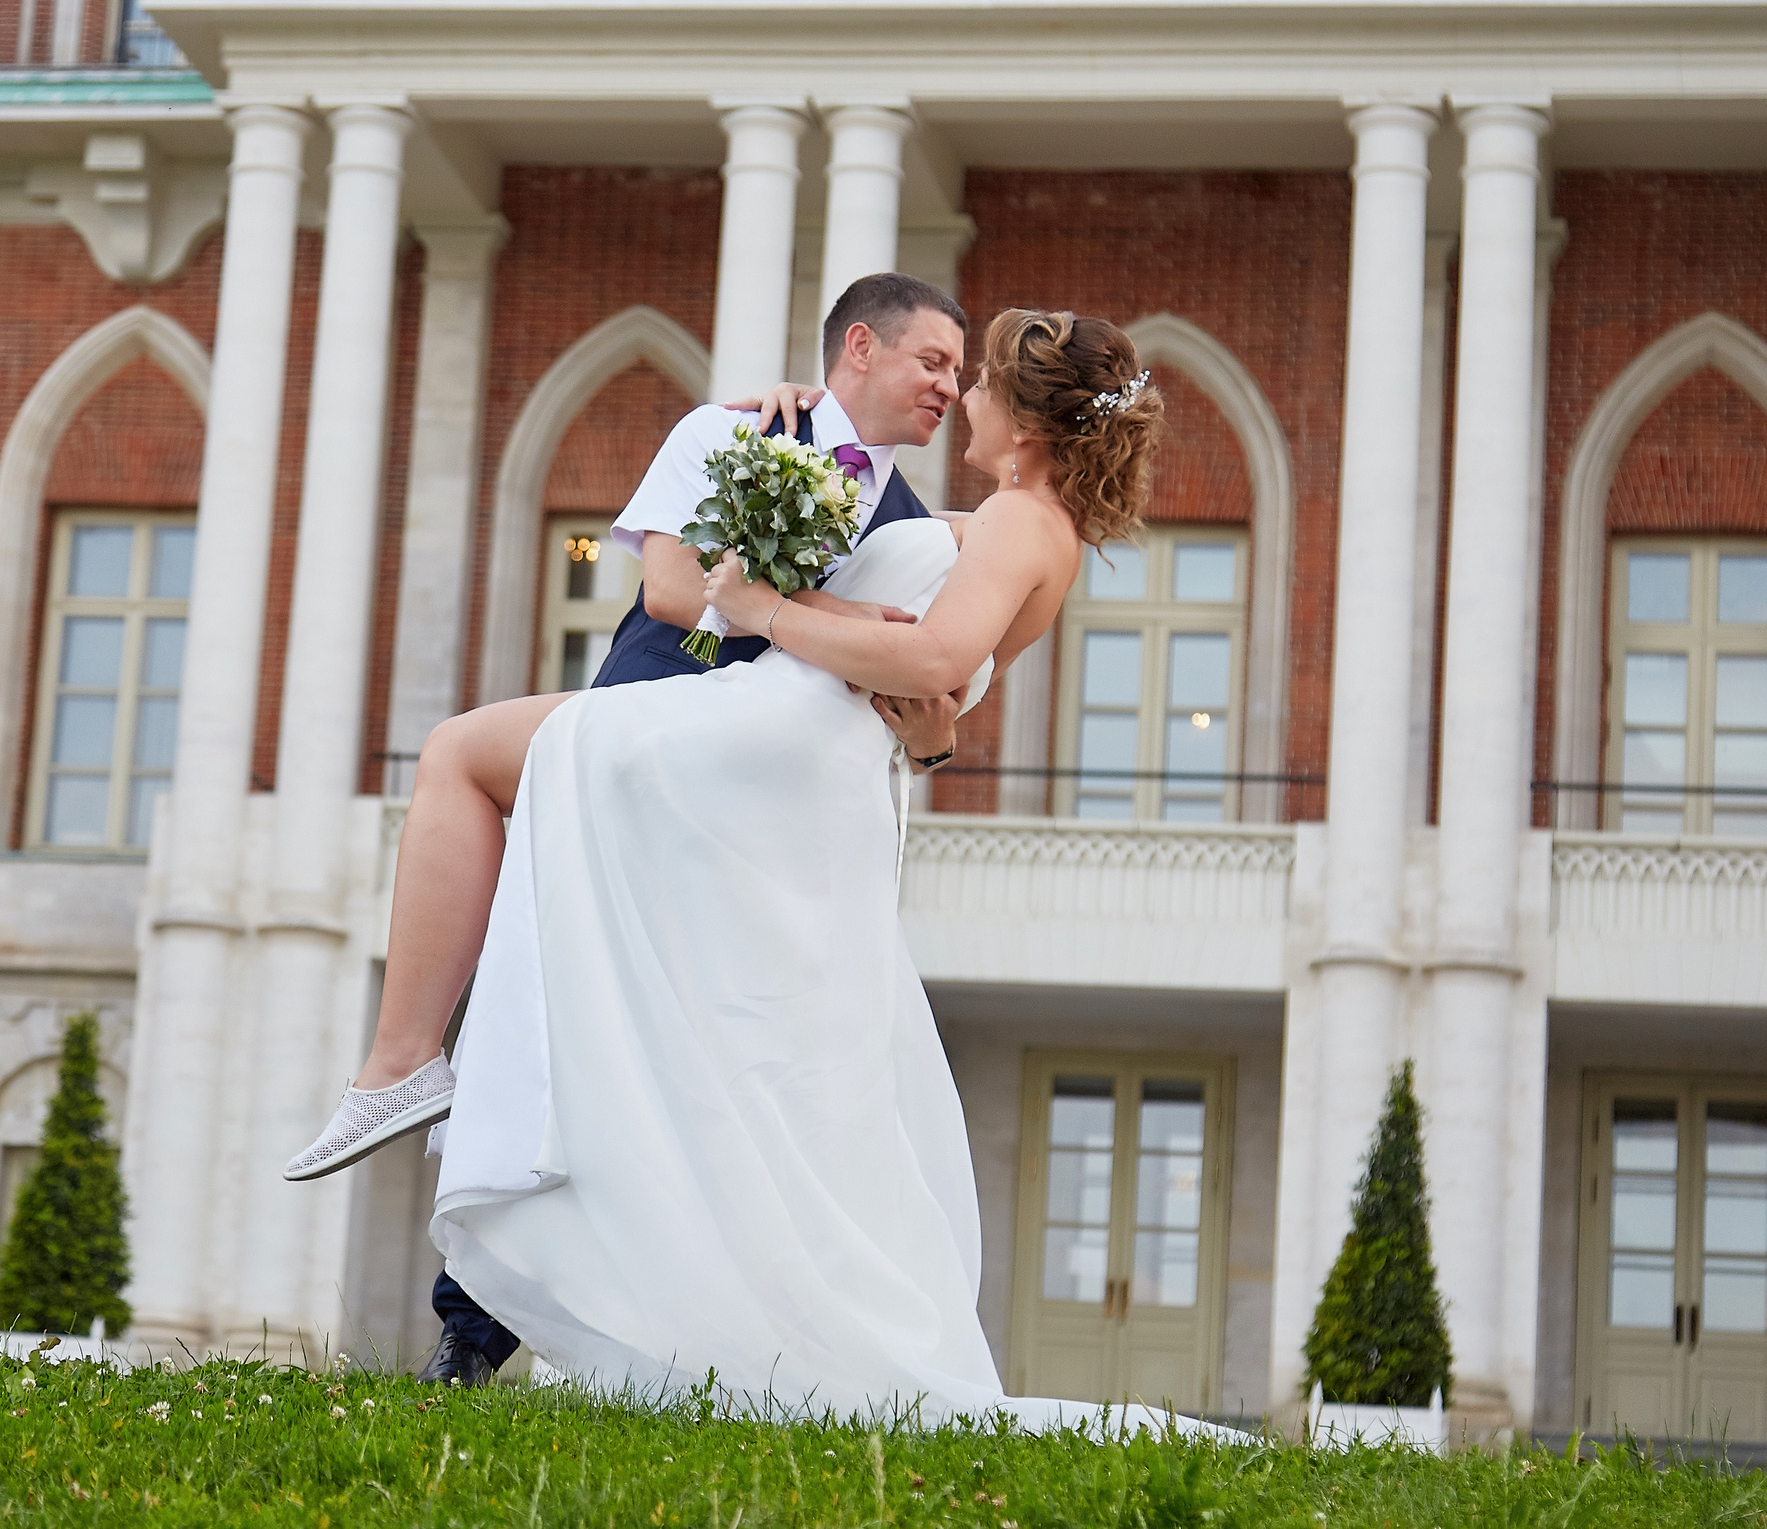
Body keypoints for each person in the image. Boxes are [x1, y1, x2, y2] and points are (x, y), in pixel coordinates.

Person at [289, 308, 1196, 1431]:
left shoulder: (1018, 519)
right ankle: (441, 1110)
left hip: (766, 740)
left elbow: (935, 662)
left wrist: (766, 610)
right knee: (672, 1020)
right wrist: (785, 434)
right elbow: (925, 677)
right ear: (859, 347)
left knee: (463, 756)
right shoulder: (1006, 522)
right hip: (792, 756)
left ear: (1021, 414)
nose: (957, 394)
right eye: (938, 365)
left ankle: (404, 1063)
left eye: (974, 381)